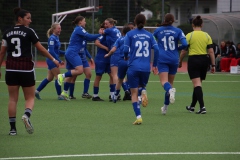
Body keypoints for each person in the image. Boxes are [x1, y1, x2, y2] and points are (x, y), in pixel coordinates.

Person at [0, 7, 59, 135]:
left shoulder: (7, 32)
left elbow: (2, 52)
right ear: (20, 19)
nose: (30, 21)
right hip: (26, 68)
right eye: (28, 18)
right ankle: (26, 115)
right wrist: (53, 59)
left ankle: (12, 129)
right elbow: (41, 49)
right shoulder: (29, 31)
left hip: (10, 68)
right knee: (30, 97)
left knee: (12, 99)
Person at [124, 14, 159, 125]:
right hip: (145, 68)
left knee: (133, 93)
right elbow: (157, 49)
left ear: (134, 22)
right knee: (141, 87)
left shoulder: (129, 34)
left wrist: (126, 57)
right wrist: (155, 65)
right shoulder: (149, 35)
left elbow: (125, 49)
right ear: (145, 22)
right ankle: (143, 90)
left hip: (133, 67)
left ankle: (139, 117)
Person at [57, 16, 101, 100]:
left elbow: (87, 40)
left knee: (72, 74)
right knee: (79, 71)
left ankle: (64, 93)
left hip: (71, 52)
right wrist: (100, 34)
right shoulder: (79, 29)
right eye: (84, 21)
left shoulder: (78, 30)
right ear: (80, 22)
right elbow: (90, 37)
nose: (85, 22)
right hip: (72, 53)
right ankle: (61, 76)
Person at [179, 15, 215, 114]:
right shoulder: (207, 35)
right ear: (202, 25)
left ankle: (202, 107)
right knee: (198, 85)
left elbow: (183, 51)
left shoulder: (189, 35)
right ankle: (192, 106)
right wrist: (213, 65)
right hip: (204, 60)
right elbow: (211, 51)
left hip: (194, 60)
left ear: (193, 25)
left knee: (197, 84)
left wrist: (180, 61)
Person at [153, 13, 188, 115]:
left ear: (164, 19)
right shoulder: (178, 31)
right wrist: (178, 48)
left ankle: (170, 92)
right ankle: (165, 108)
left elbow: (152, 41)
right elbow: (185, 44)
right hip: (174, 58)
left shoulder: (158, 30)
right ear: (173, 21)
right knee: (170, 84)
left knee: (164, 82)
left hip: (162, 58)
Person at [35, 23, 65, 100]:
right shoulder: (52, 38)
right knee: (58, 77)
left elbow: (57, 51)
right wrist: (57, 60)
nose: (60, 30)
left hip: (52, 60)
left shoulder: (56, 37)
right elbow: (51, 51)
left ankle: (37, 91)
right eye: (58, 28)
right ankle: (59, 95)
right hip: (51, 60)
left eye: (60, 28)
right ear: (54, 29)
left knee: (49, 78)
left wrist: (66, 53)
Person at [104, 25, 132, 103]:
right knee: (132, 78)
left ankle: (115, 96)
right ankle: (136, 96)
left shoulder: (120, 39)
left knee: (119, 79)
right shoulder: (133, 39)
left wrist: (108, 54)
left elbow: (113, 49)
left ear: (122, 32)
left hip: (122, 60)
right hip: (131, 61)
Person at [102, 18, 122, 101]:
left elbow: (101, 32)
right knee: (119, 75)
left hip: (115, 53)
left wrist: (102, 30)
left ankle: (115, 94)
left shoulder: (109, 30)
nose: (105, 26)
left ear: (111, 24)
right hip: (120, 53)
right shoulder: (117, 30)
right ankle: (116, 93)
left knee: (114, 75)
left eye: (106, 24)